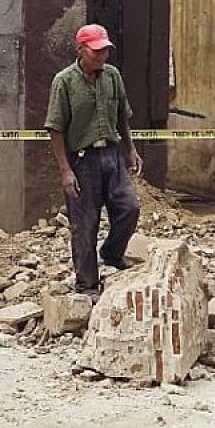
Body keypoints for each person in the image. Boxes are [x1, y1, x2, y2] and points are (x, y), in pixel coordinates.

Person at [45, 24, 143, 296]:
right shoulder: (64, 82)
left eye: (105, 51)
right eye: (96, 51)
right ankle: (87, 285)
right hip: (82, 161)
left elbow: (123, 115)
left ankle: (112, 253)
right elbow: (55, 128)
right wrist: (65, 170)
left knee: (129, 208)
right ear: (80, 50)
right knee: (85, 225)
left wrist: (130, 149)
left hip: (111, 156)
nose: (102, 56)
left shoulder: (112, 76)